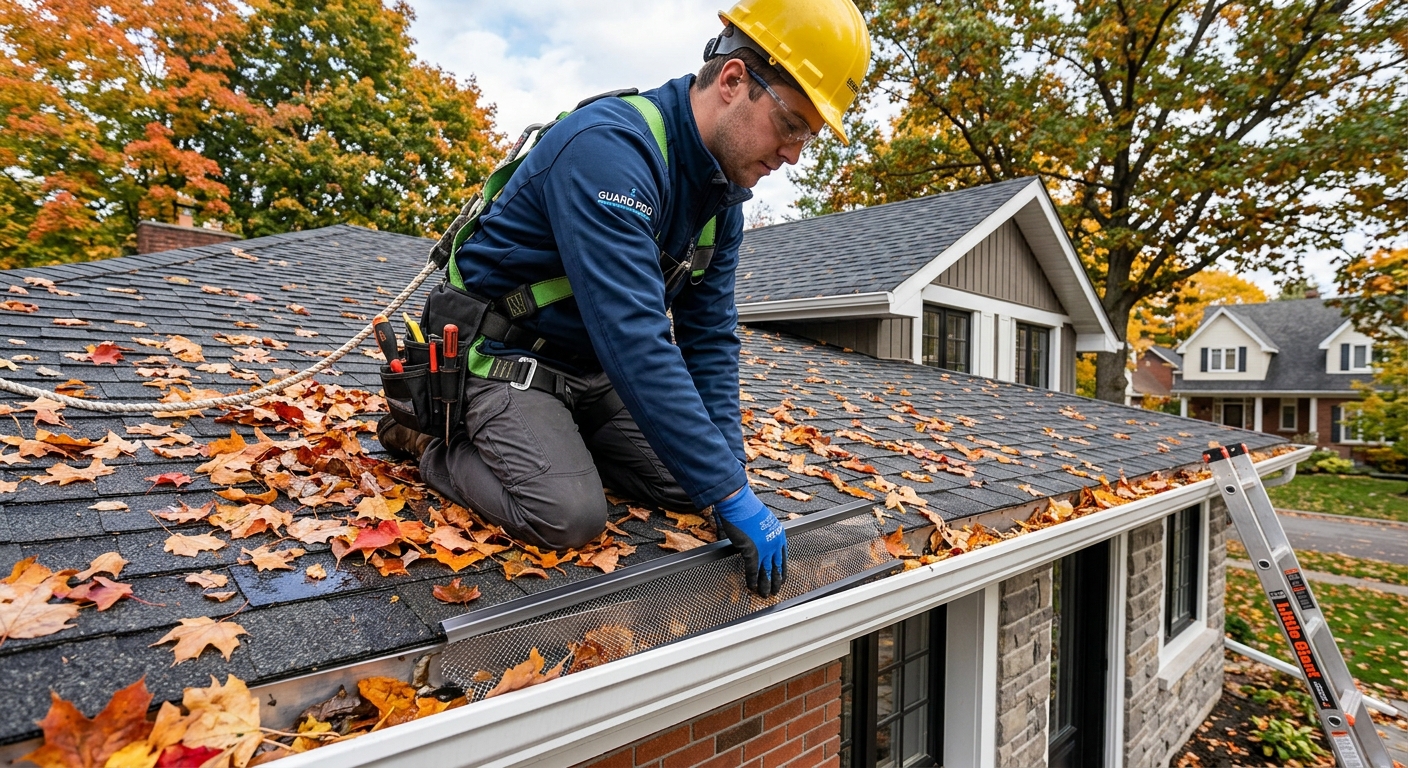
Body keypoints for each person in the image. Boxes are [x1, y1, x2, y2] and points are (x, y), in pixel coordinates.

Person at [378, 0, 871, 597]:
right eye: (791, 123)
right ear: (735, 80)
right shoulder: (609, 151)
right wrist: (729, 491)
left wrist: (730, 480)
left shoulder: (720, 202)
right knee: (569, 516)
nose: (793, 153)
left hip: (588, 371)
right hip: (500, 359)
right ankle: (431, 440)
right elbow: (635, 338)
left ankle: (557, 440)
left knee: (702, 483)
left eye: (807, 138)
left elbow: (709, 339)